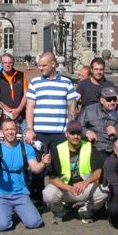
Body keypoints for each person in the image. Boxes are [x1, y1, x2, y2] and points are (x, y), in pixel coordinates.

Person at [25, 52, 78, 202]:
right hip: (39, 133)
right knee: (38, 168)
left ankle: (60, 197)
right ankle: (36, 197)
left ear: (53, 64)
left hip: (59, 133)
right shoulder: (35, 82)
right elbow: (30, 107)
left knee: (60, 166)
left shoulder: (66, 83)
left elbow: (72, 108)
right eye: (39, 65)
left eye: (43, 65)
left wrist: (70, 129)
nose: (40, 68)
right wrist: (30, 129)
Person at [0, 120, 48, 231]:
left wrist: (43, 163)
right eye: (7, 130)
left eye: (12, 129)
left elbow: (35, 168)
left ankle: (18, 209)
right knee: (1, 226)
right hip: (1, 194)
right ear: (1, 132)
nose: (10, 132)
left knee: (34, 223)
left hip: (21, 193)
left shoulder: (26, 148)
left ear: (17, 130)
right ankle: (6, 210)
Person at [43, 120, 107, 224]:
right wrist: (69, 188)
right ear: (66, 134)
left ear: (82, 134)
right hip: (65, 189)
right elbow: (52, 178)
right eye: (72, 133)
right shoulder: (57, 149)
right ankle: (59, 211)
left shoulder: (89, 146)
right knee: (47, 194)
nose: (75, 136)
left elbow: (99, 171)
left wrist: (85, 183)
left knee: (104, 190)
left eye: (78, 133)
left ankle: (86, 210)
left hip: (84, 187)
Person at [78, 86, 118, 156]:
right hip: (95, 149)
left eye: (114, 99)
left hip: (115, 151)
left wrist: (117, 132)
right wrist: (87, 132)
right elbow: (77, 126)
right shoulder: (89, 110)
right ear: (102, 100)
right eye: (109, 99)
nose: (112, 102)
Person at [0, 53, 28, 131]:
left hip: (21, 114)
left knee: (25, 137)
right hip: (4, 115)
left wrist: (18, 109)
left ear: (13, 63)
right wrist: (9, 110)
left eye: (10, 63)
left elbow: (26, 94)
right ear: (1, 64)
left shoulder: (21, 76)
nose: (7, 65)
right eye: (5, 63)